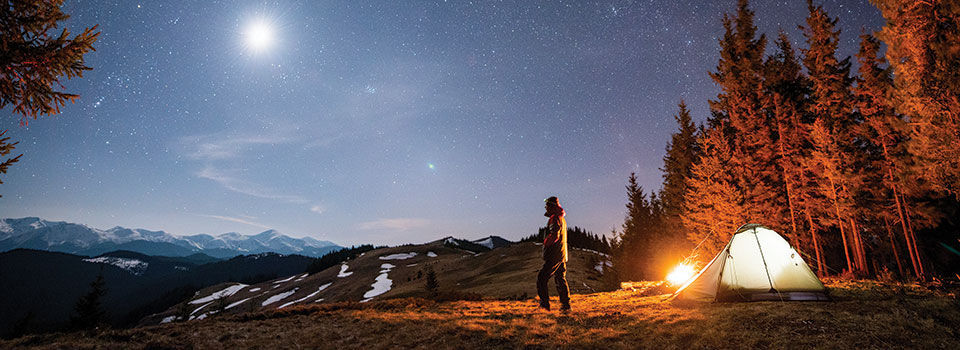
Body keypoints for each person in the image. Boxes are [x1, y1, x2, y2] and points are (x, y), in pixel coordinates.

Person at [537, 196, 570, 311]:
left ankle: (544, 305)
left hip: (554, 255)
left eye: (547, 205)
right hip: (561, 254)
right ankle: (565, 305)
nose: (545, 207)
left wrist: (546, 243)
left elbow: (554, 235)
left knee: (541, 278)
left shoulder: (554, 218)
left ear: (551, 206)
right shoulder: (562, 218)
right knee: (560, 278)